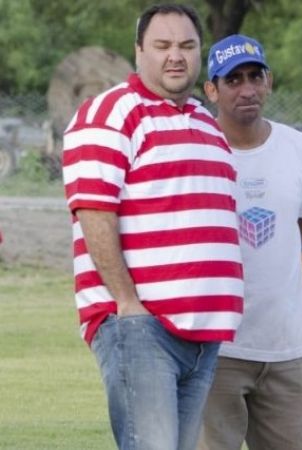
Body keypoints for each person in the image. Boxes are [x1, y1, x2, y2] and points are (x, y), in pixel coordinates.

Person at [61, 5, 244, 450]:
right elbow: (94, 214)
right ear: (139, 50)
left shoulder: (208, 125)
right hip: (142, 326)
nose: (175, 56)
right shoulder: (111, 113)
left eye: (186, 46)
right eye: (162, 46)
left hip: (203, 334)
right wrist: (127, 304)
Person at [199, 34, 302, 450]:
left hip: (284, 347)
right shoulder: (196, 148)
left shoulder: (300, 148)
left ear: (269, 82)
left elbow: (300, 228)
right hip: (215, 349)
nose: (248, 88)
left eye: (256, 76)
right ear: (211, 90)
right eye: (233, 80)